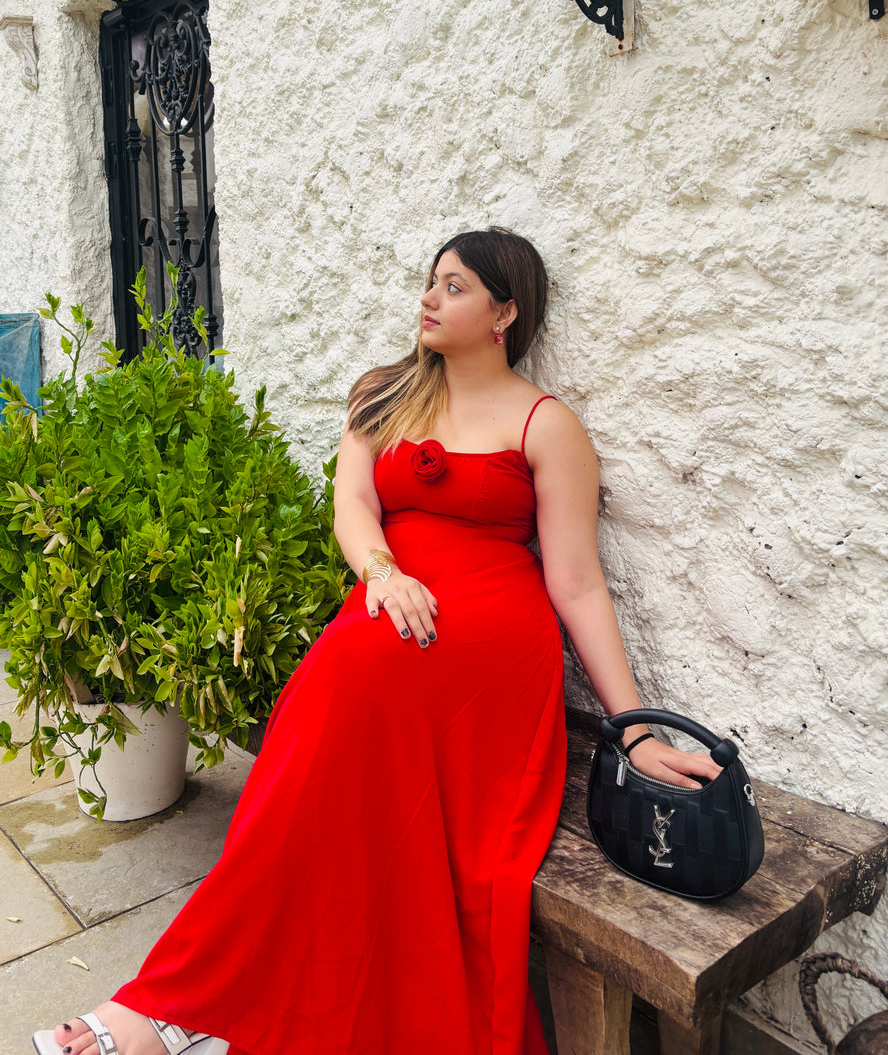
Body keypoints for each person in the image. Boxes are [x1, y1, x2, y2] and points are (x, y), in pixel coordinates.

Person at [36, 226, 720, 1055]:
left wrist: (636, 727)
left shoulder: (547, 425)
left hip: (493, 649)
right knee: (327, 719)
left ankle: (176, 1010)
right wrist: (383, 573)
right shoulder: (383, 394)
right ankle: (187, 999)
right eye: (432, 281)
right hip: (392, 607)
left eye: (456, 286)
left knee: (340, 711)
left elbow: (575, 584)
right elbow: (352, 507)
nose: (430, 298)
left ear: (506, 311)